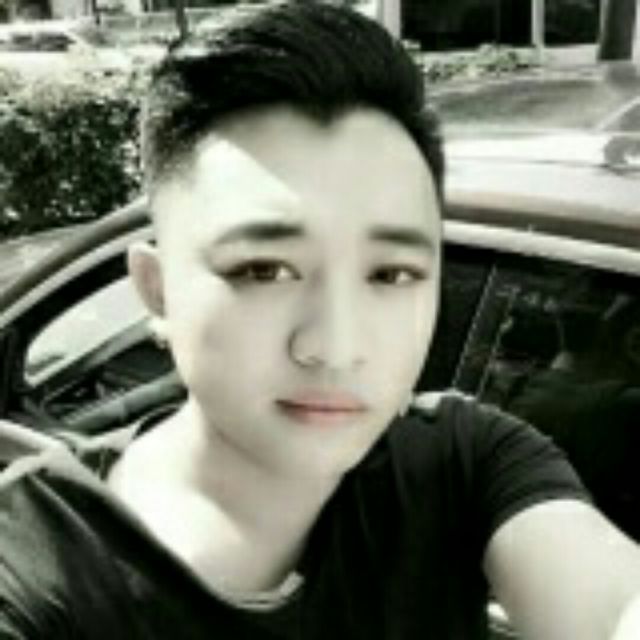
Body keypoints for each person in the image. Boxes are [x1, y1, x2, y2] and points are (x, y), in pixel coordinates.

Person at [0, 2, 639, 638]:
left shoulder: (462, 462)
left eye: (392, 275)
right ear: (157, 289)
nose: (336, 346)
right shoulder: (37, 558)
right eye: (265, 270)